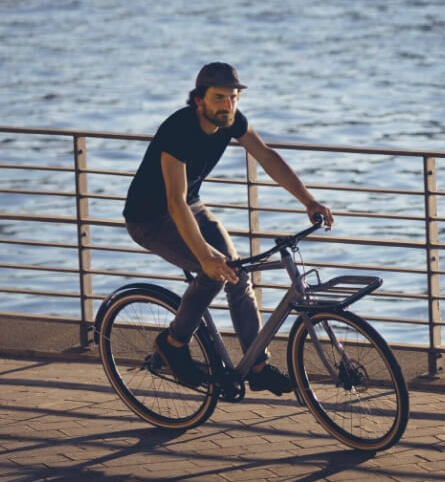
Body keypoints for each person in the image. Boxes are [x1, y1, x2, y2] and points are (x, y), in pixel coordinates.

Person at [123, 62, 334, 396]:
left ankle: (258, 367)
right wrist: (206, 256)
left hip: (190, 205)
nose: (228, 105)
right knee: (214, 271)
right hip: (149, 218)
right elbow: (174, 202)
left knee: (237, 273)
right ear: (198, 100)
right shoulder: (178, 129)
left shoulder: (231, 122)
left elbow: (266, 157)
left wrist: (308, 201)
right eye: (219, 97)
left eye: (233, 97)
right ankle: (173, 343)